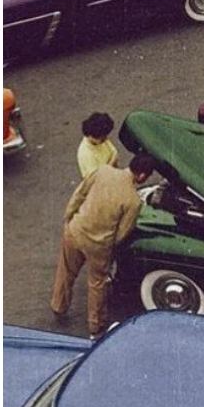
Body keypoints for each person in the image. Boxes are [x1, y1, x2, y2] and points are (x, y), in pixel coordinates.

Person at [51, 155, 158, 338]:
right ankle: (96, 326)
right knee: (97, 284)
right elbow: (123, 233)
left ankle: (58, 306)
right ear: (142, 176)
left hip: (76, 230)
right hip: (98, 245)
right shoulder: (132, 200)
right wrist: (108, 247)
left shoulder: (103, 171)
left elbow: (79, 194)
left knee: (66, 271)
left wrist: (69, 218)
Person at [77, 112, 118, 180]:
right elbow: (97, 178)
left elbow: (115, 152)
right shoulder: (85, 154)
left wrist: (107, 168)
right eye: (102, 138)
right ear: (91, 136)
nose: (105, 140)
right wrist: (111, 164)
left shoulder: (101, 139)